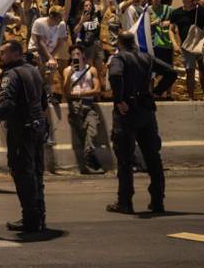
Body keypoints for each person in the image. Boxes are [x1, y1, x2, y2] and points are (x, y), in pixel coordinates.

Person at [0, 40, 48, 233]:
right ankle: (39, 216)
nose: (0, 57)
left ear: (15, 54)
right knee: (36, 173)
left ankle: (30, 218)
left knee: (22, 173)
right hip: (38, 128)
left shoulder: (11, 75)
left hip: (22, 130)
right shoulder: (34, 71)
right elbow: (43, 102)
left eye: (3, 53)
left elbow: (6, 106)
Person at [106, 32, 166, 214]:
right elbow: (170, 72)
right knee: (153, 158)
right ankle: (157, 200)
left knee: (125, 159)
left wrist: (119, 99)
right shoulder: (146, 57)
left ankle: (125, 201)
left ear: (120, 43)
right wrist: (157, 91)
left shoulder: (119, 58)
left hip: (127, 112)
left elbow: (115, 75)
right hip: (146, 111)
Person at [62, 46, 104, 174]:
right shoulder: (67, 70)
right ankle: (90, 163)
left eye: (78, 53)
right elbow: (67, 92)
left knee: (92, 130)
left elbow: (97, 90)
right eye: (73, 54)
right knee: (82, 132)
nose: (76, 56)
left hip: (88, 104)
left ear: (83, 55)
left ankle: (88, 159)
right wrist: (69, 77)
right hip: (75, 105)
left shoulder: (91, 70)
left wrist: (80, 93)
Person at [171, 0, 204, 100]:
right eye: (191, 0)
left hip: (200, 44)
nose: (194, 2)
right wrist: (175, 44)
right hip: (186, 46)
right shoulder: (177, 13)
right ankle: (191, 97)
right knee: (190, 71)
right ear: (184, 1)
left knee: (203, 68)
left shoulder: (201, 10)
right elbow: (172, 28)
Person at [146, 0, 178, 98]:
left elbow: (177, 20)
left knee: (169, 69)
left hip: (166, 44)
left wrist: (168, 22)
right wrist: (152, 23)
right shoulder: (146, 10)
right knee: (150, 70)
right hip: (152, 44)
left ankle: (168, 93)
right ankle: (151, 93)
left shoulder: (168, 9)